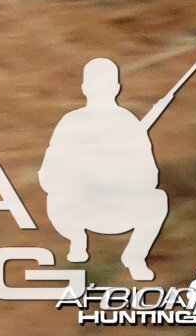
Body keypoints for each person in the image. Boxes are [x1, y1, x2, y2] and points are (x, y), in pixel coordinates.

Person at [42, 58, 171, 281]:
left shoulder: (128, 123)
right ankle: (77, 240)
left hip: (118, 207)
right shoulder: (71, 122)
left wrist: (119, 171)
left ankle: (134, 257)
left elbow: (149, 176)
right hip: (77, 208)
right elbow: (49, 174)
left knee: (157, 200)